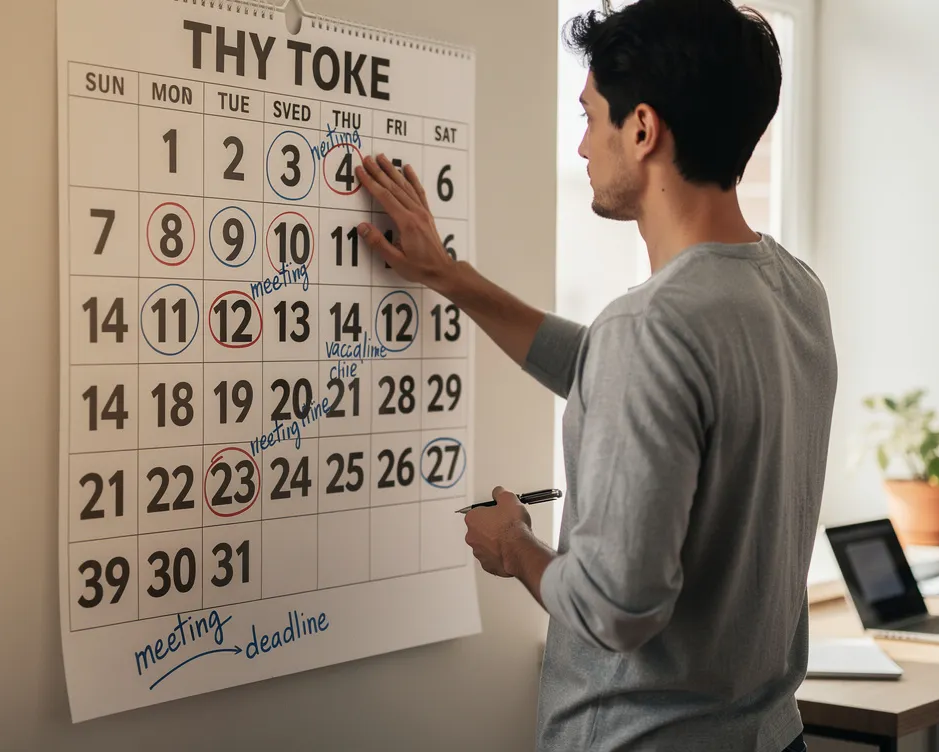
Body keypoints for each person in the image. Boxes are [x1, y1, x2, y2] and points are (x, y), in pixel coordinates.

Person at [354, 0, 836, 749]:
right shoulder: (792, 289)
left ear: (642, 129)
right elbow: (628, 377)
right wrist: (449, 275)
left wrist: (514, 546)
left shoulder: (651, 327)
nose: (582, 145)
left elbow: (616, 610)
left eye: (589, 116)